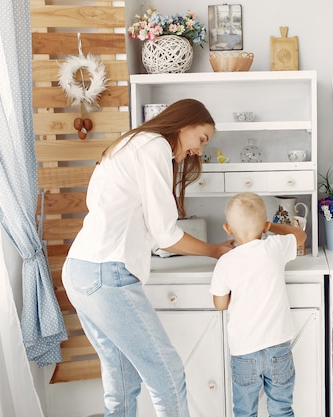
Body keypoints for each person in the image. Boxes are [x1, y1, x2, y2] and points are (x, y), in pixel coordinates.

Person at [62, 98, 234, 417]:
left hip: (81, 269)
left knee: (122, 378)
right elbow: (164, 234)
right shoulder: (154, 146)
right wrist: (214, 250)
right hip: (106, 273)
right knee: (167, 375)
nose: (199, 149)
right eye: (202, 139)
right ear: (184, 125)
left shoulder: (129, 143)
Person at [210, 192, 307, 417]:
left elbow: (220, 304)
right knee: (282, 410)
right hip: (278, 348)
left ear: (228, 229)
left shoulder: (226, 262)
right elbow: (300, 235)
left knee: (244, 412)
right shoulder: (273, 247)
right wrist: (271, 227)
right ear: (264, 225)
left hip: (244, 351)